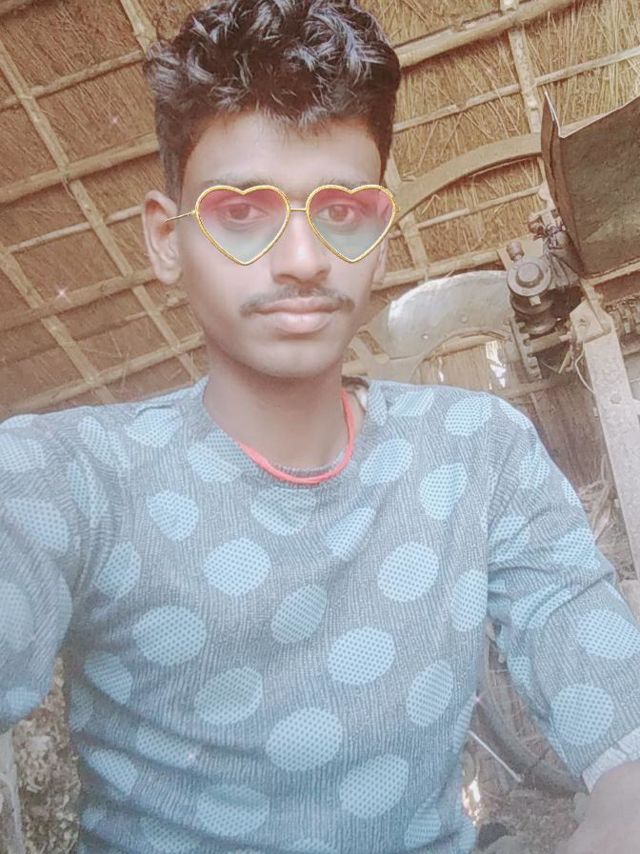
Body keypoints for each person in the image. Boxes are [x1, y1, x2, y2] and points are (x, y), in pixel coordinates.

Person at [1, 1, 639, 852]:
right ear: (165, 240)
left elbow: (589, 651)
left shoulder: (477, 452)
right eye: (241, 211)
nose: (303, 260)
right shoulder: (69, 478)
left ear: (380, 234)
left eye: (342, 211)